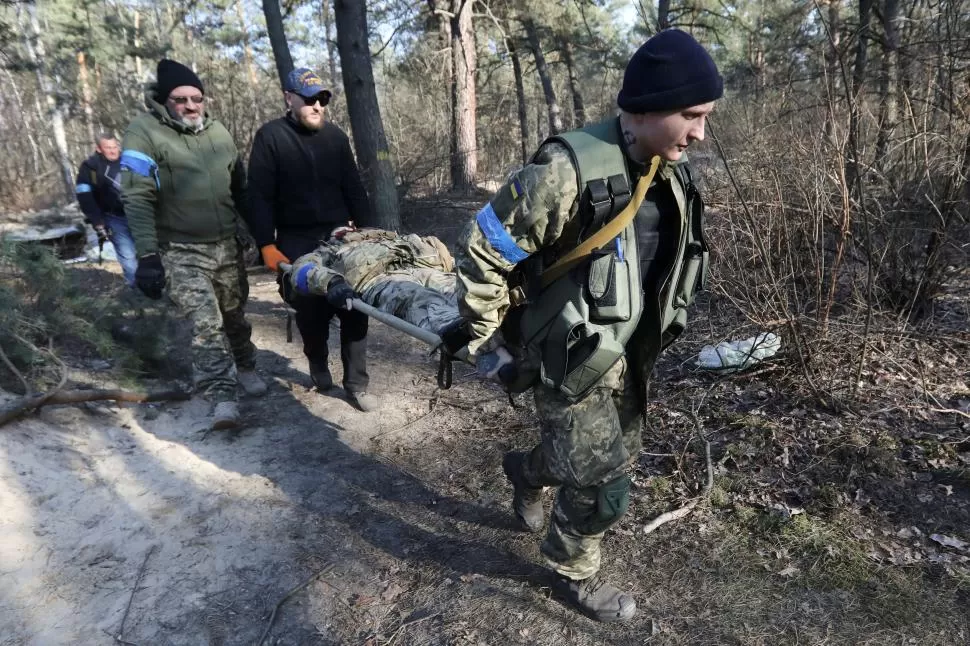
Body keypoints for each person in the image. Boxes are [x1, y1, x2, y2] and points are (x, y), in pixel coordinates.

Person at [451, 29, 722, 622]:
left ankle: (525, 471)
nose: (701, 132)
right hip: (566, 356)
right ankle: (575, 573)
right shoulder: (565, 170)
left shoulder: (664, 166)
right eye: (692, 115)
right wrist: (486, 340)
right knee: (604, 485)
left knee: (608, 454)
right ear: (647, 107)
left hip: (626, 353)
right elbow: (483, 251)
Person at [120, 59, 267, 430]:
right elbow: (137, 198)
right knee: (206, 325)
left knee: (234, 316)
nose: (190, 106)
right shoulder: (143, 133)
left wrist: (265, 238)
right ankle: (222, 397)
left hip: (226, 246)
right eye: (180, 98)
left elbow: (242, 190)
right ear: (163, 100)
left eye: (196, 98)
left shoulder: (219, 132)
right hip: (180, 251)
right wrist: (148, 256)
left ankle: (246, 364)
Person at [247, 67, 379, 412]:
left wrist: (369, 233)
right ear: (288, 97)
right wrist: (266, 243)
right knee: (311, 307)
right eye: (308, 99)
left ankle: (357, 384)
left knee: (355, 305)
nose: (317, 105)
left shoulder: (336, 138)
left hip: (339, 233)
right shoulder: (271, 137)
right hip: (295, 237)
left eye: (322, 98)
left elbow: (353, 187)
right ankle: (318, 363)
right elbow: (258, 196)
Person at [75, 134, 137, 286]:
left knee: (150, 252)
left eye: (115, 147)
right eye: (108, 148)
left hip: (140, 214)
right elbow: (85, 196)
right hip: (113, 217)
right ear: (99, 149)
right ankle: (138, 291)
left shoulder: (131, 162)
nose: (113, 151)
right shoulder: (90, 167)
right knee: (128, 256)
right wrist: (97, 221)